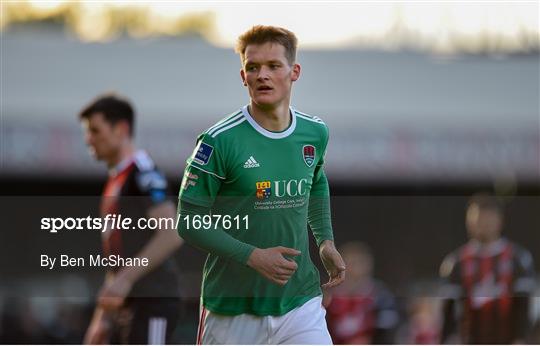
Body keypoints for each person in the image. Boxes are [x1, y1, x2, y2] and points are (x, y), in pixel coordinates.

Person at [176, 25, 346, 344]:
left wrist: (325, 240)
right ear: (243, 76)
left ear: (294, 71)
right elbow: (188, 222)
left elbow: (316, 182)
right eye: (252, 67)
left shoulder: (315, 133)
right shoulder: (218, 141)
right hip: (232, 312)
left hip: (300, 304)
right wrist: (253, 256)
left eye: (272, 66)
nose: (261, 75)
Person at [79, 93, 183, 344]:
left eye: (95, 130)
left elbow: (171, 233)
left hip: (153, 303)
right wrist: (102, 318)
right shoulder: (117, 179)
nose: (88, 139)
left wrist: (124, 280)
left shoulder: (142, 172)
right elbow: (117, 256)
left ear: (121, 128)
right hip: (128, 308)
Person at [439, 193, 536, 344]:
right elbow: (448, 310)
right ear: (468, 222)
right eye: (477, 220)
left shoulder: (518, 258)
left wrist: (521, 338)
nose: (483, 225)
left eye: (488, 219)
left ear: (500, 220)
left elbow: (524, 305)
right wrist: (449, 339)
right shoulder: (455, 262)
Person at [325, 242, 399, 344]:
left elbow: (389, 324)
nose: (353, 269)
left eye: (359, 263)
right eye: (349, 263)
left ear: (368, 266)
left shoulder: (379, 295)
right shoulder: (330, 297)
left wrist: (370, 337)